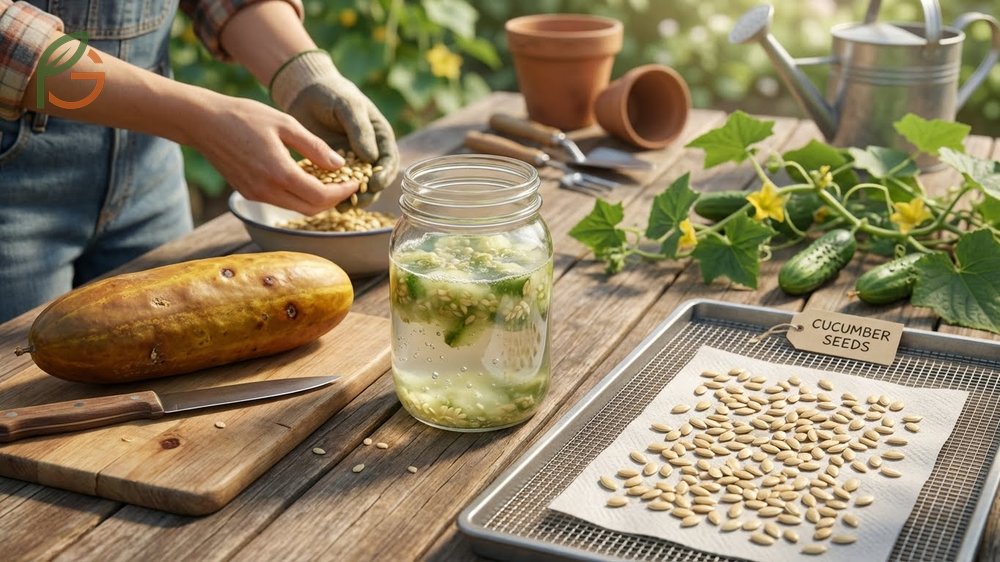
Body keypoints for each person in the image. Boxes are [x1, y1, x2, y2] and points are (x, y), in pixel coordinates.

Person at [0, 0, 399, 323]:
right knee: (22, 379)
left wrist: (304, 75)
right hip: (14, 191)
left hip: (149, 174)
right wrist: (195, 121)